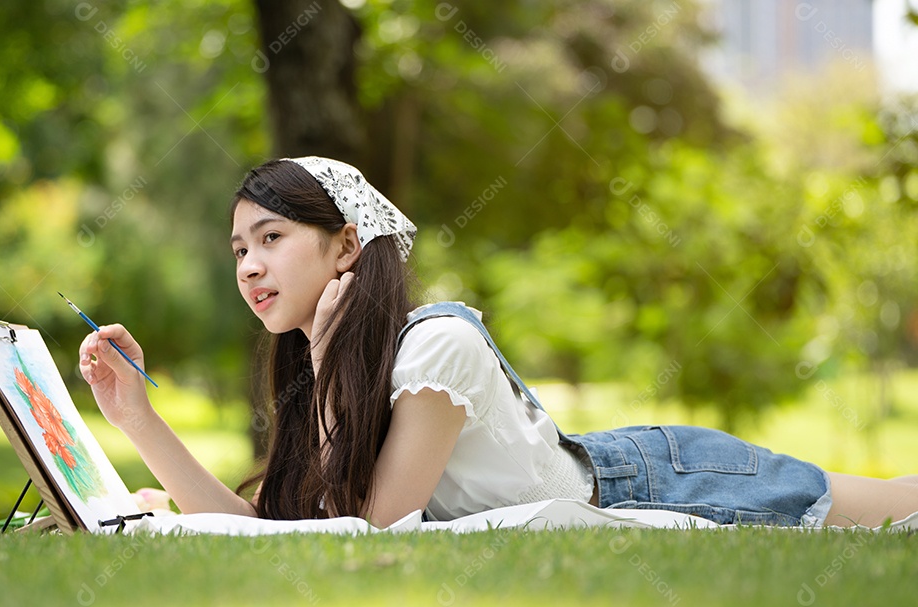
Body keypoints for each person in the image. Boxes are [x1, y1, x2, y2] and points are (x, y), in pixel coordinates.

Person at [79, 156, 918, 529]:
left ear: (345, 247)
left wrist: (333, 365)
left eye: (270, 238)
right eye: (238, 250)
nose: (250, 266)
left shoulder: (436, 344)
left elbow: (375, 525)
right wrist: (138, 419)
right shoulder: (315, 362)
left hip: (666, 479)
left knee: (900, 506)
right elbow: (279, 525)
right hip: (626, 464)